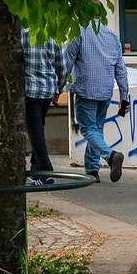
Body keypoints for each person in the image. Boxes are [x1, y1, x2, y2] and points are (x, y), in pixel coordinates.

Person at [64, 18, 130, 182]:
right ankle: (92, 171)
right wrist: (124, 97)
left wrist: (59, 87)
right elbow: (121, 69)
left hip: (86, 90)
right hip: (105, 92)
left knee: (88, 129)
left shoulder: (78, 32)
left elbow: (67, 62)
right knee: (97, 130)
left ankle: (110, 155)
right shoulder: (112, 36)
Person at [21, 28, 63, 183]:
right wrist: (60, 88)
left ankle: (45, 169)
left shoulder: (21, 35)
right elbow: (61, 66)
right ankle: (35, 169)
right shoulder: (52, 35)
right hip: (47, 90)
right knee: (38, 128)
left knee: (35, 131)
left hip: (29, 90)